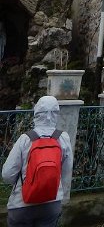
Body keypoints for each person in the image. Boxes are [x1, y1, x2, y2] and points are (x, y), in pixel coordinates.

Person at [2, 96, 73, 227]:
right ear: (56, 113)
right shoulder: (63, 138)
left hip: (21, 204)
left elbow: (7, 175)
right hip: (52, 203)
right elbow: (66, 172)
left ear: (36, 113)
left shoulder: (25, 139)